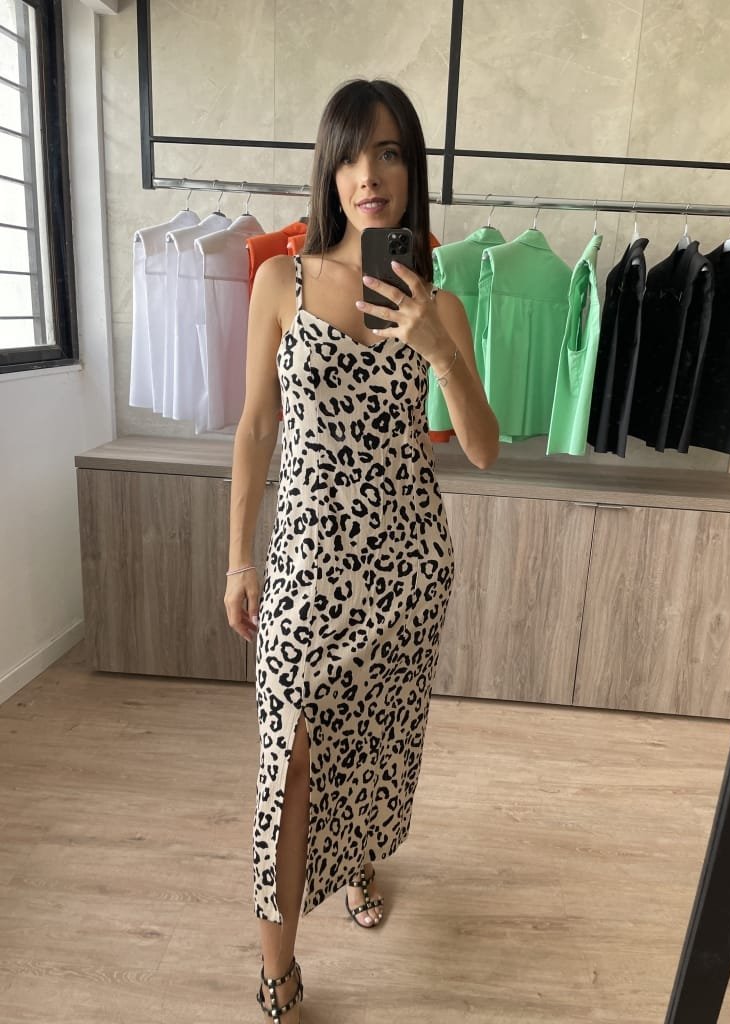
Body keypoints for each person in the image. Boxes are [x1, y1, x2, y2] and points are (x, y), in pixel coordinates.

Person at [224, 77, 499, 1023]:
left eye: (387, 153)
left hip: (406, 567)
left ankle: (359, 863)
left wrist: (438, 347)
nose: (368, 175)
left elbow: (483, 448)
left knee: (374, 743)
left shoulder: (440, 304)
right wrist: (238, 557)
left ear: (412, 169)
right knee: (291, 757)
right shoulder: (281, 282)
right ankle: (278, 968)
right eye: (349, 155)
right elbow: (256, 426)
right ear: (328, 171)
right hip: (305, 566)